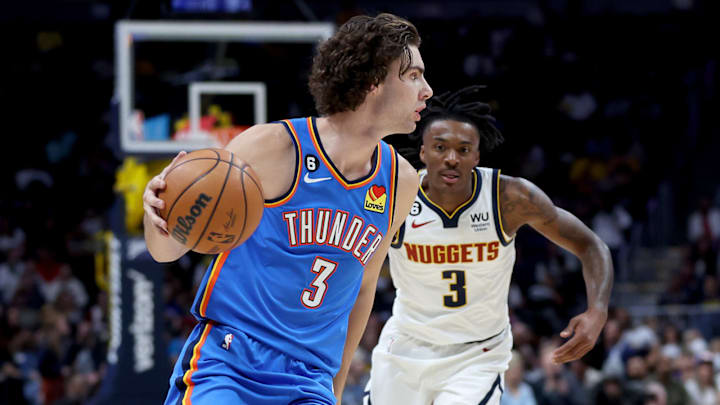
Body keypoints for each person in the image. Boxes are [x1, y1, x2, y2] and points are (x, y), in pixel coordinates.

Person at [142, 13, 432, 405]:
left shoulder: (400, 180)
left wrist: (337, 384)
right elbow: (167, 251)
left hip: (308, 378)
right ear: (373, 81)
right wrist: (158, 207)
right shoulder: (272, 147)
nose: (427, 90)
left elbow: (362, 290)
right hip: (230, 360)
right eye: (413, 75)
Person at [365, 86, 613, 404]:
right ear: (424, 152)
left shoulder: (509, 198)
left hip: (475, 354)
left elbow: (590, 244)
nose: (451, 158)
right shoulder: (395, 199)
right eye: (440, 147)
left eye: (463, 149)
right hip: (404, 345)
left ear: (477, 155)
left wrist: (598, 310)